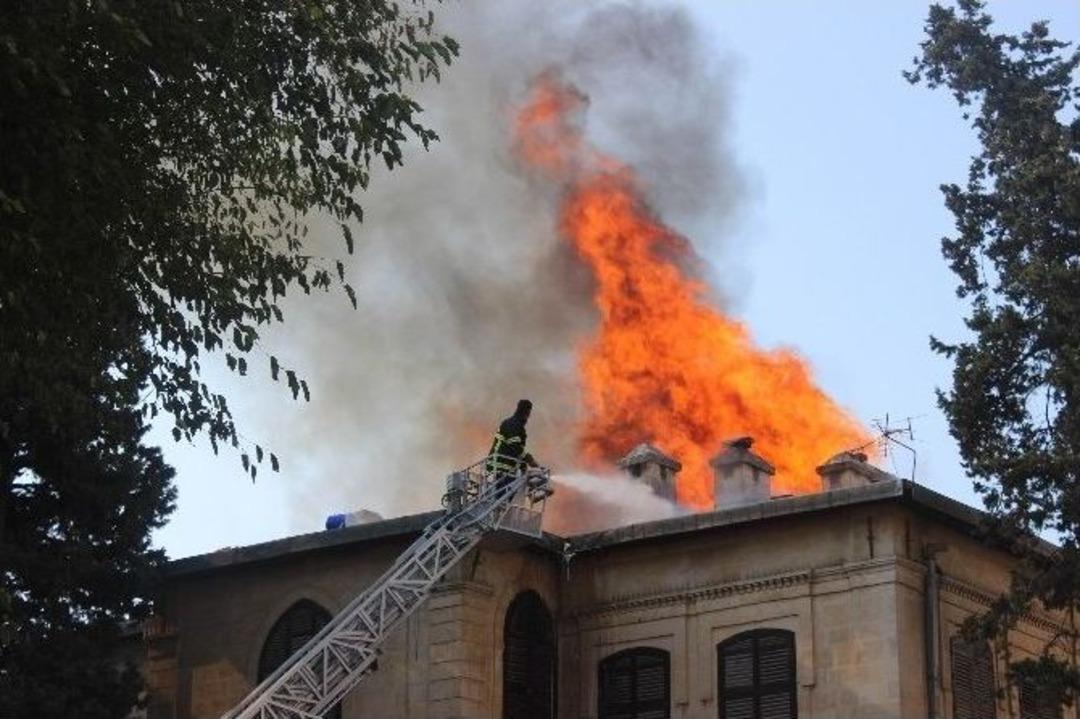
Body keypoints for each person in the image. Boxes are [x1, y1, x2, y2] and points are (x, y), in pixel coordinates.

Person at [486, 399, 537, 486]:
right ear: (527, 412)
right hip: (499, 468)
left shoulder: (515, 425)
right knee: (499, 495)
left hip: (505, 470)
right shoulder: (512, 424)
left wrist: (523, 466)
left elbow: (514, 451)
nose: (529, 416)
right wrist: (529, 459)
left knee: (505, 494)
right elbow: (514, 446)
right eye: (529, 412)